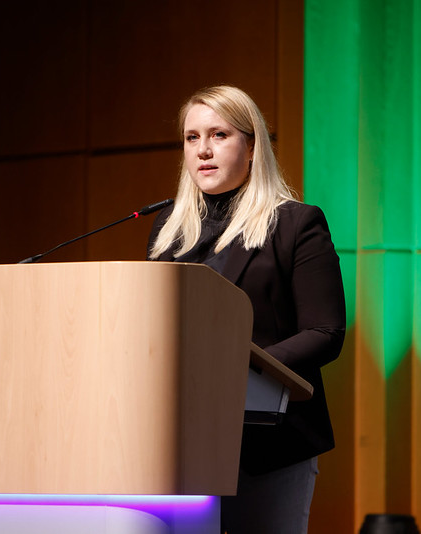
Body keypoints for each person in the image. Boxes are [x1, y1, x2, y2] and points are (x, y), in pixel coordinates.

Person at [148, 85, 346, 534]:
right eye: (192, 138)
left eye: (219, 135)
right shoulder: (168, 230)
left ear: (252, 145)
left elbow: (325, 331)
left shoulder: (295, 223)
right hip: (181, 445)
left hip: (268, 445)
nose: (203, 150)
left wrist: (238, 369)